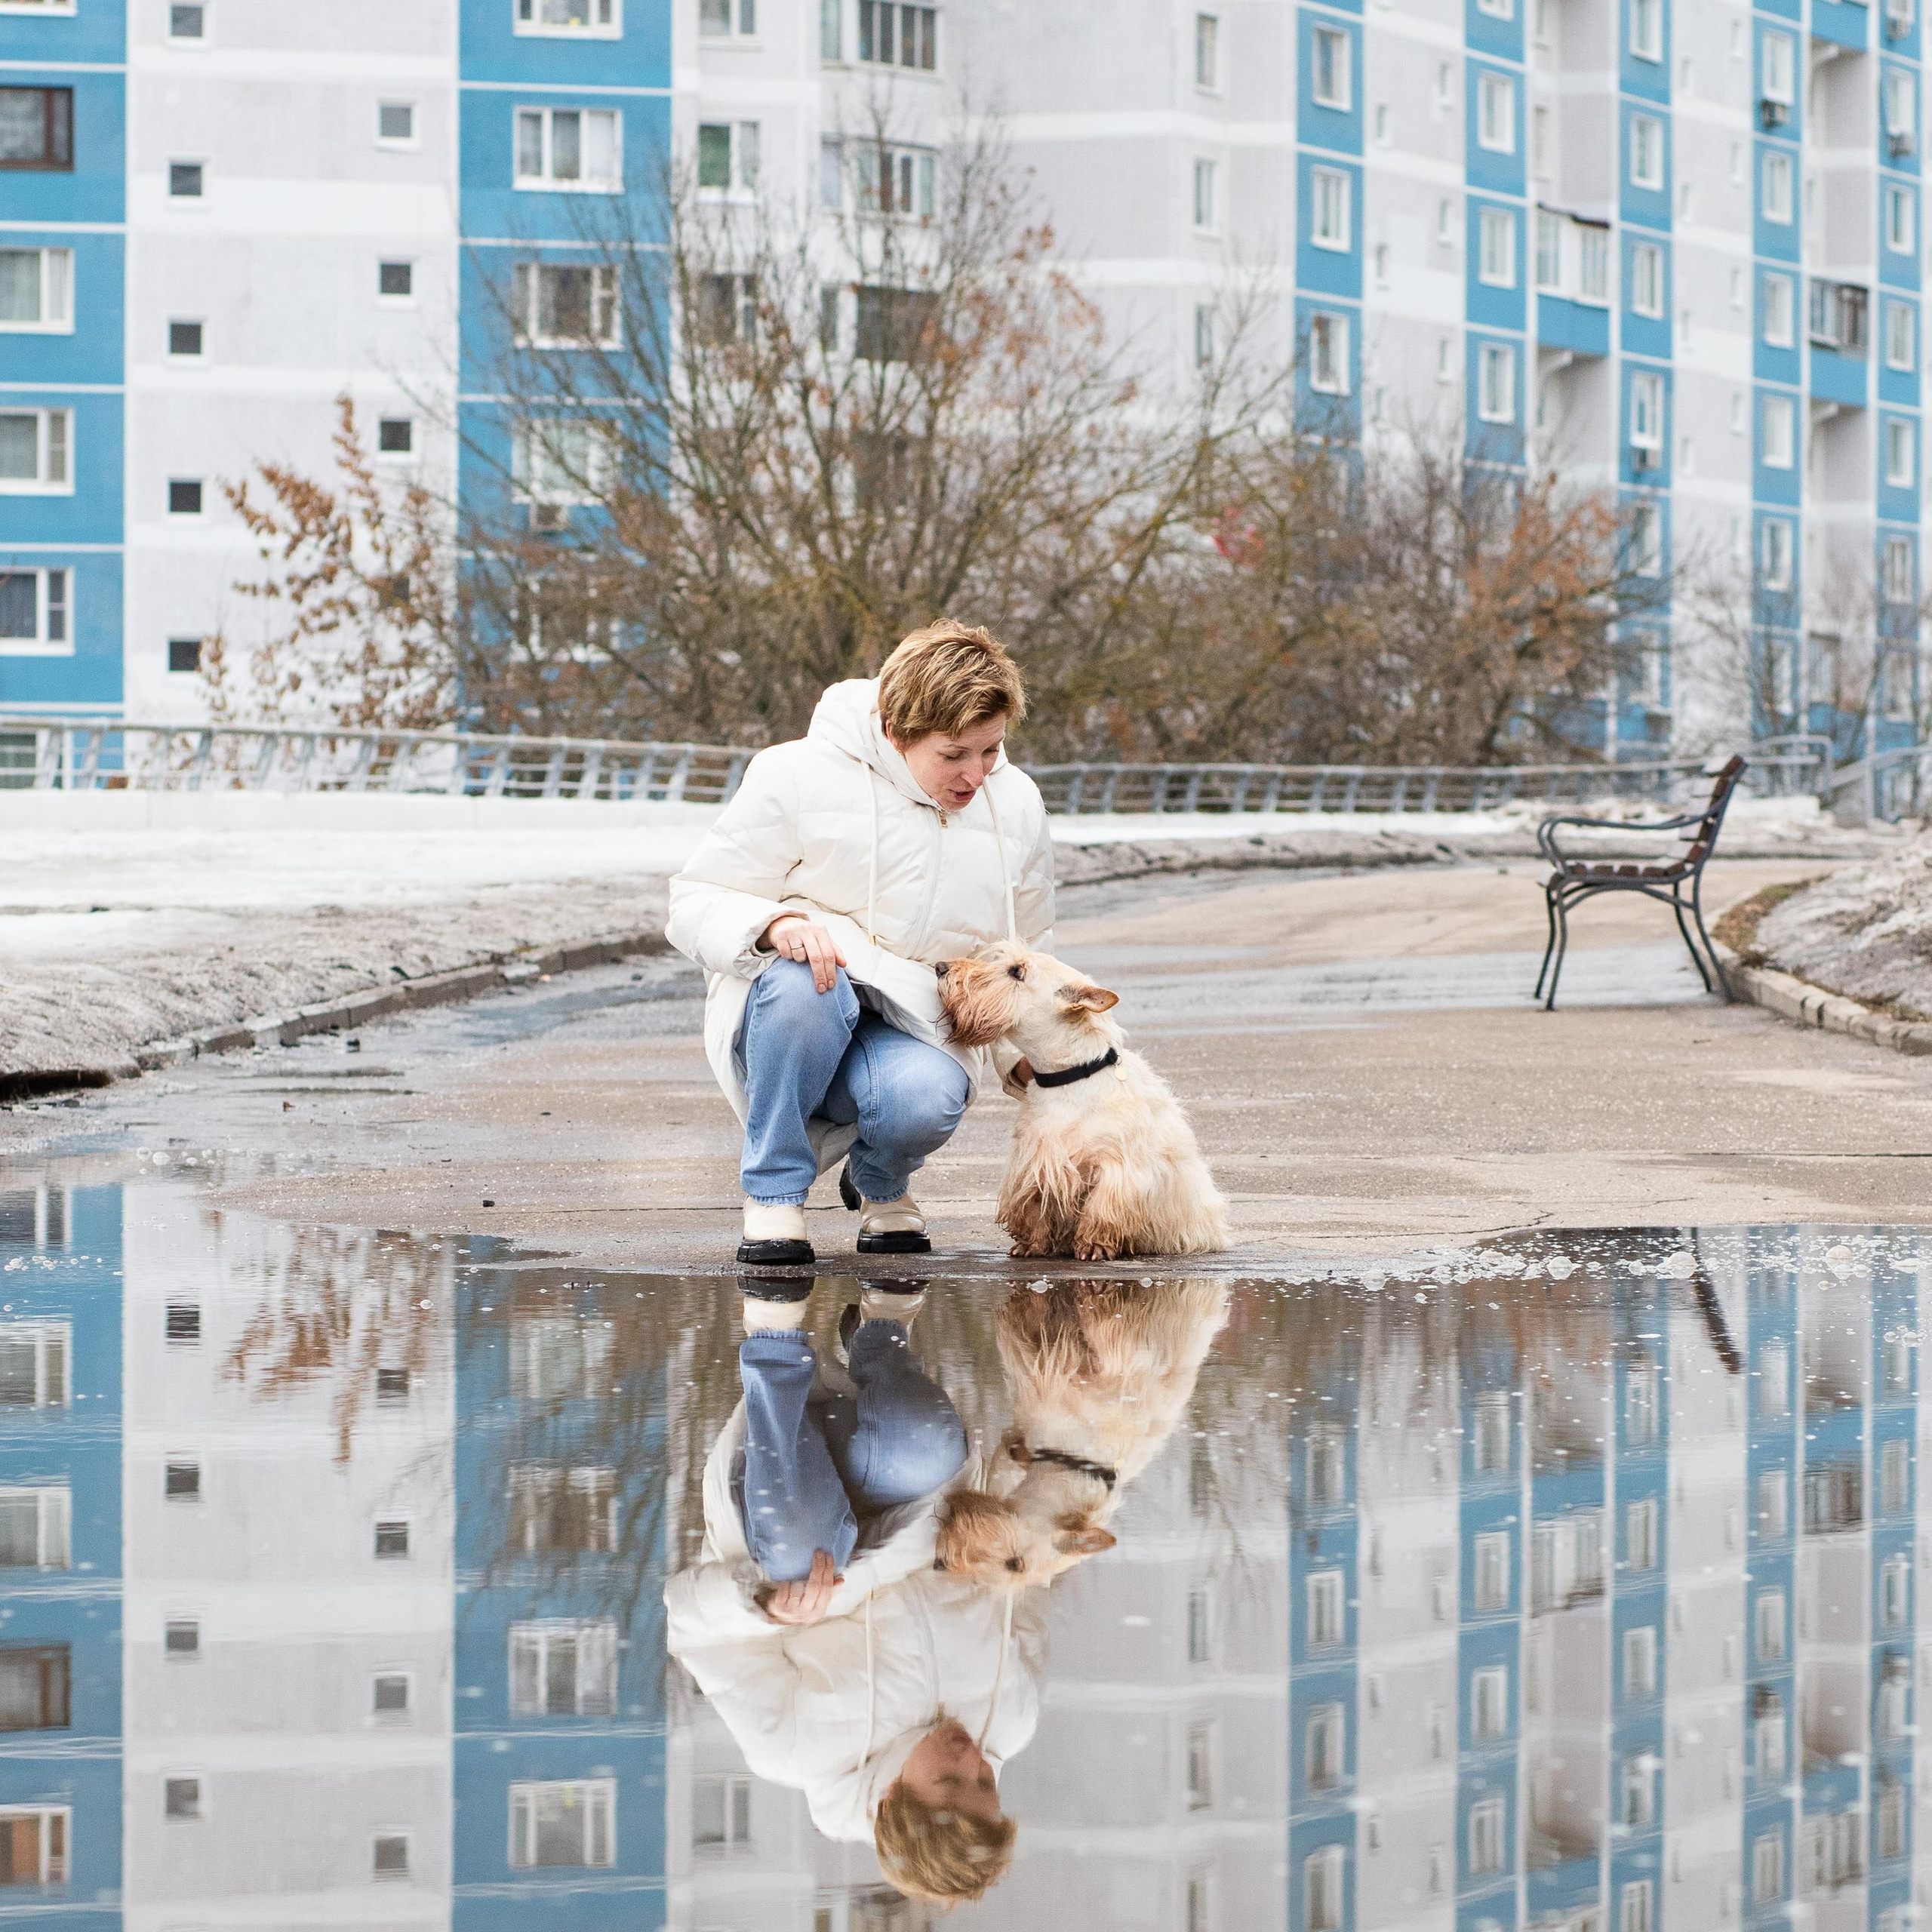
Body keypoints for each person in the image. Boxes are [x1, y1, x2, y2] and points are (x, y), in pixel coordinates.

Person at [666, 620, 1054, 1266]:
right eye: (955, 754)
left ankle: (880, 1184)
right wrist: (771, 926)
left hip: (916, 1023)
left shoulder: (1014, 803)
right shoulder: (794, 775)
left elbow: (1025, 947)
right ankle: (774, 1197)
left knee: (927, 1101)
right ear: (898, 734)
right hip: (795, 1008)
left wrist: (1026, 1053)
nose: (977, 774)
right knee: (800, 982)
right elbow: (696, 897)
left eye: (991, 750)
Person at [664, 1281, 1045, 1906]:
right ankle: (879, 1335)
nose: (972, 1759)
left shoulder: (796, 1752)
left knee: (794, 1554)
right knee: (923, 1443)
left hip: (787, 1506)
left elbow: (689, 1627)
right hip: (904, 1501)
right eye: (986, 1781)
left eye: (950, 1780)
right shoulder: (1013, 1717)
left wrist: (761, 1607)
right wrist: (1009, 1506)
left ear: (892, 1797)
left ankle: (775, 1335)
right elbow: (1020, 1580)